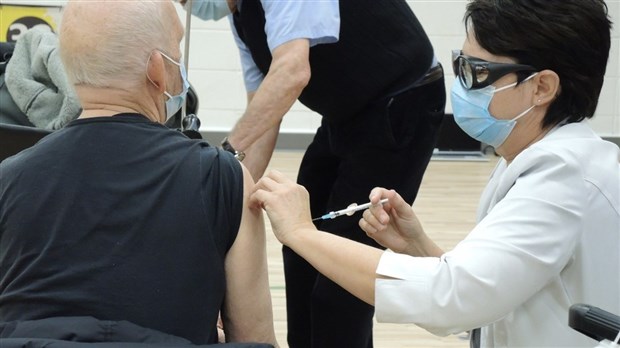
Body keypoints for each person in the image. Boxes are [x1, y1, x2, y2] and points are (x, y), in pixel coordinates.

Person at [250, 0, 619, 347]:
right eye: (462, 64)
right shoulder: (538, 160)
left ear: (541, 87)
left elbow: (451, 300)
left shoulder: (561, 178)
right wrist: (418, 248)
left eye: (478, 72)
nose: (461, 85)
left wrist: (300, 231)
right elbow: (488, 291)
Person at [0, 1, 278, 346]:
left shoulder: (8, 178)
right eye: (177, 47)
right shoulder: (224, 179)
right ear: (158, 70)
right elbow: (255, 338)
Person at [181, 1, 446, 346]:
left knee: (340, 286)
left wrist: (222, 155)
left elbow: (292, 72)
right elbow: (264, 116)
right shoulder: (242, 17)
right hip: (346, 115)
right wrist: (224, 190)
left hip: (401, 104)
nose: (187, 4)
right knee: (299, 247)